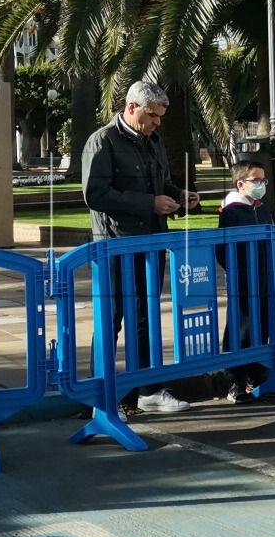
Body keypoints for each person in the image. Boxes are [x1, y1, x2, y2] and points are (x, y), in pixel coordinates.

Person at [81, 81, 197, 418]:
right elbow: (95, 195)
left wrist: (178, 195)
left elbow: (162, 183)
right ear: (132, 107)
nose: (157, 123)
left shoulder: (154, 142)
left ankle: (147, 390)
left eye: (160, 117)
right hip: (115, 245)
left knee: (145, 317)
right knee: (112, 318)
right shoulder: (103, 141)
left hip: (152, 242)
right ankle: (99, 395)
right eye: (152, 115)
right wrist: (149, 202)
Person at [217, 158, 274, 402]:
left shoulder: (260, 208)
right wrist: (237, 271)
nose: (261, 184)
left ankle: (257, 374)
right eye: (256, 180)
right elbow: (223, 248)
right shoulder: (232, 211)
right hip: (242, 279)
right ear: (240, 184)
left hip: (263, 277)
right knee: (241, 328)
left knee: (262, 326)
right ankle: (236, 380)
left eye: (263, 180)